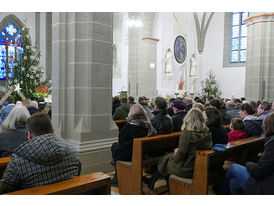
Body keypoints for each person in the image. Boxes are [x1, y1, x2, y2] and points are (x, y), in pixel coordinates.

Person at [0, 113, 81, 194]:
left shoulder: (18, 159)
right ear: (52, 131)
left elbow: (5, 188)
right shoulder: (73, 151)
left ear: (29, 135)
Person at [144, 108, 212, 190]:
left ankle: (156, 182)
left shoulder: (187, 134)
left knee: (165, 160)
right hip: (197, 166)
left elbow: (178, 157)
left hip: (186, 168)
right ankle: (153, 181)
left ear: (188, 119)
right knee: (166, 158)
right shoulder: (207, 133)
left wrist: (177, 152)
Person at [223, 112, 274, 195]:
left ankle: (222, 191)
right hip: (268, 180)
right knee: (234, 182)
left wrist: (248, 164)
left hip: (266, 186)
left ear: (268, 127)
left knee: (233, 167)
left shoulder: (272, 144)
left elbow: (259, 171)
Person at [111, 104, 157, 186]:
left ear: (131, 113)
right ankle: (117, 173)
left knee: (114, 147)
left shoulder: (130, 126)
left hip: (133, 155)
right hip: (144, 153)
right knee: (116, 147)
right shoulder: (148, 125)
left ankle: (117, 177)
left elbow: (121, 140)